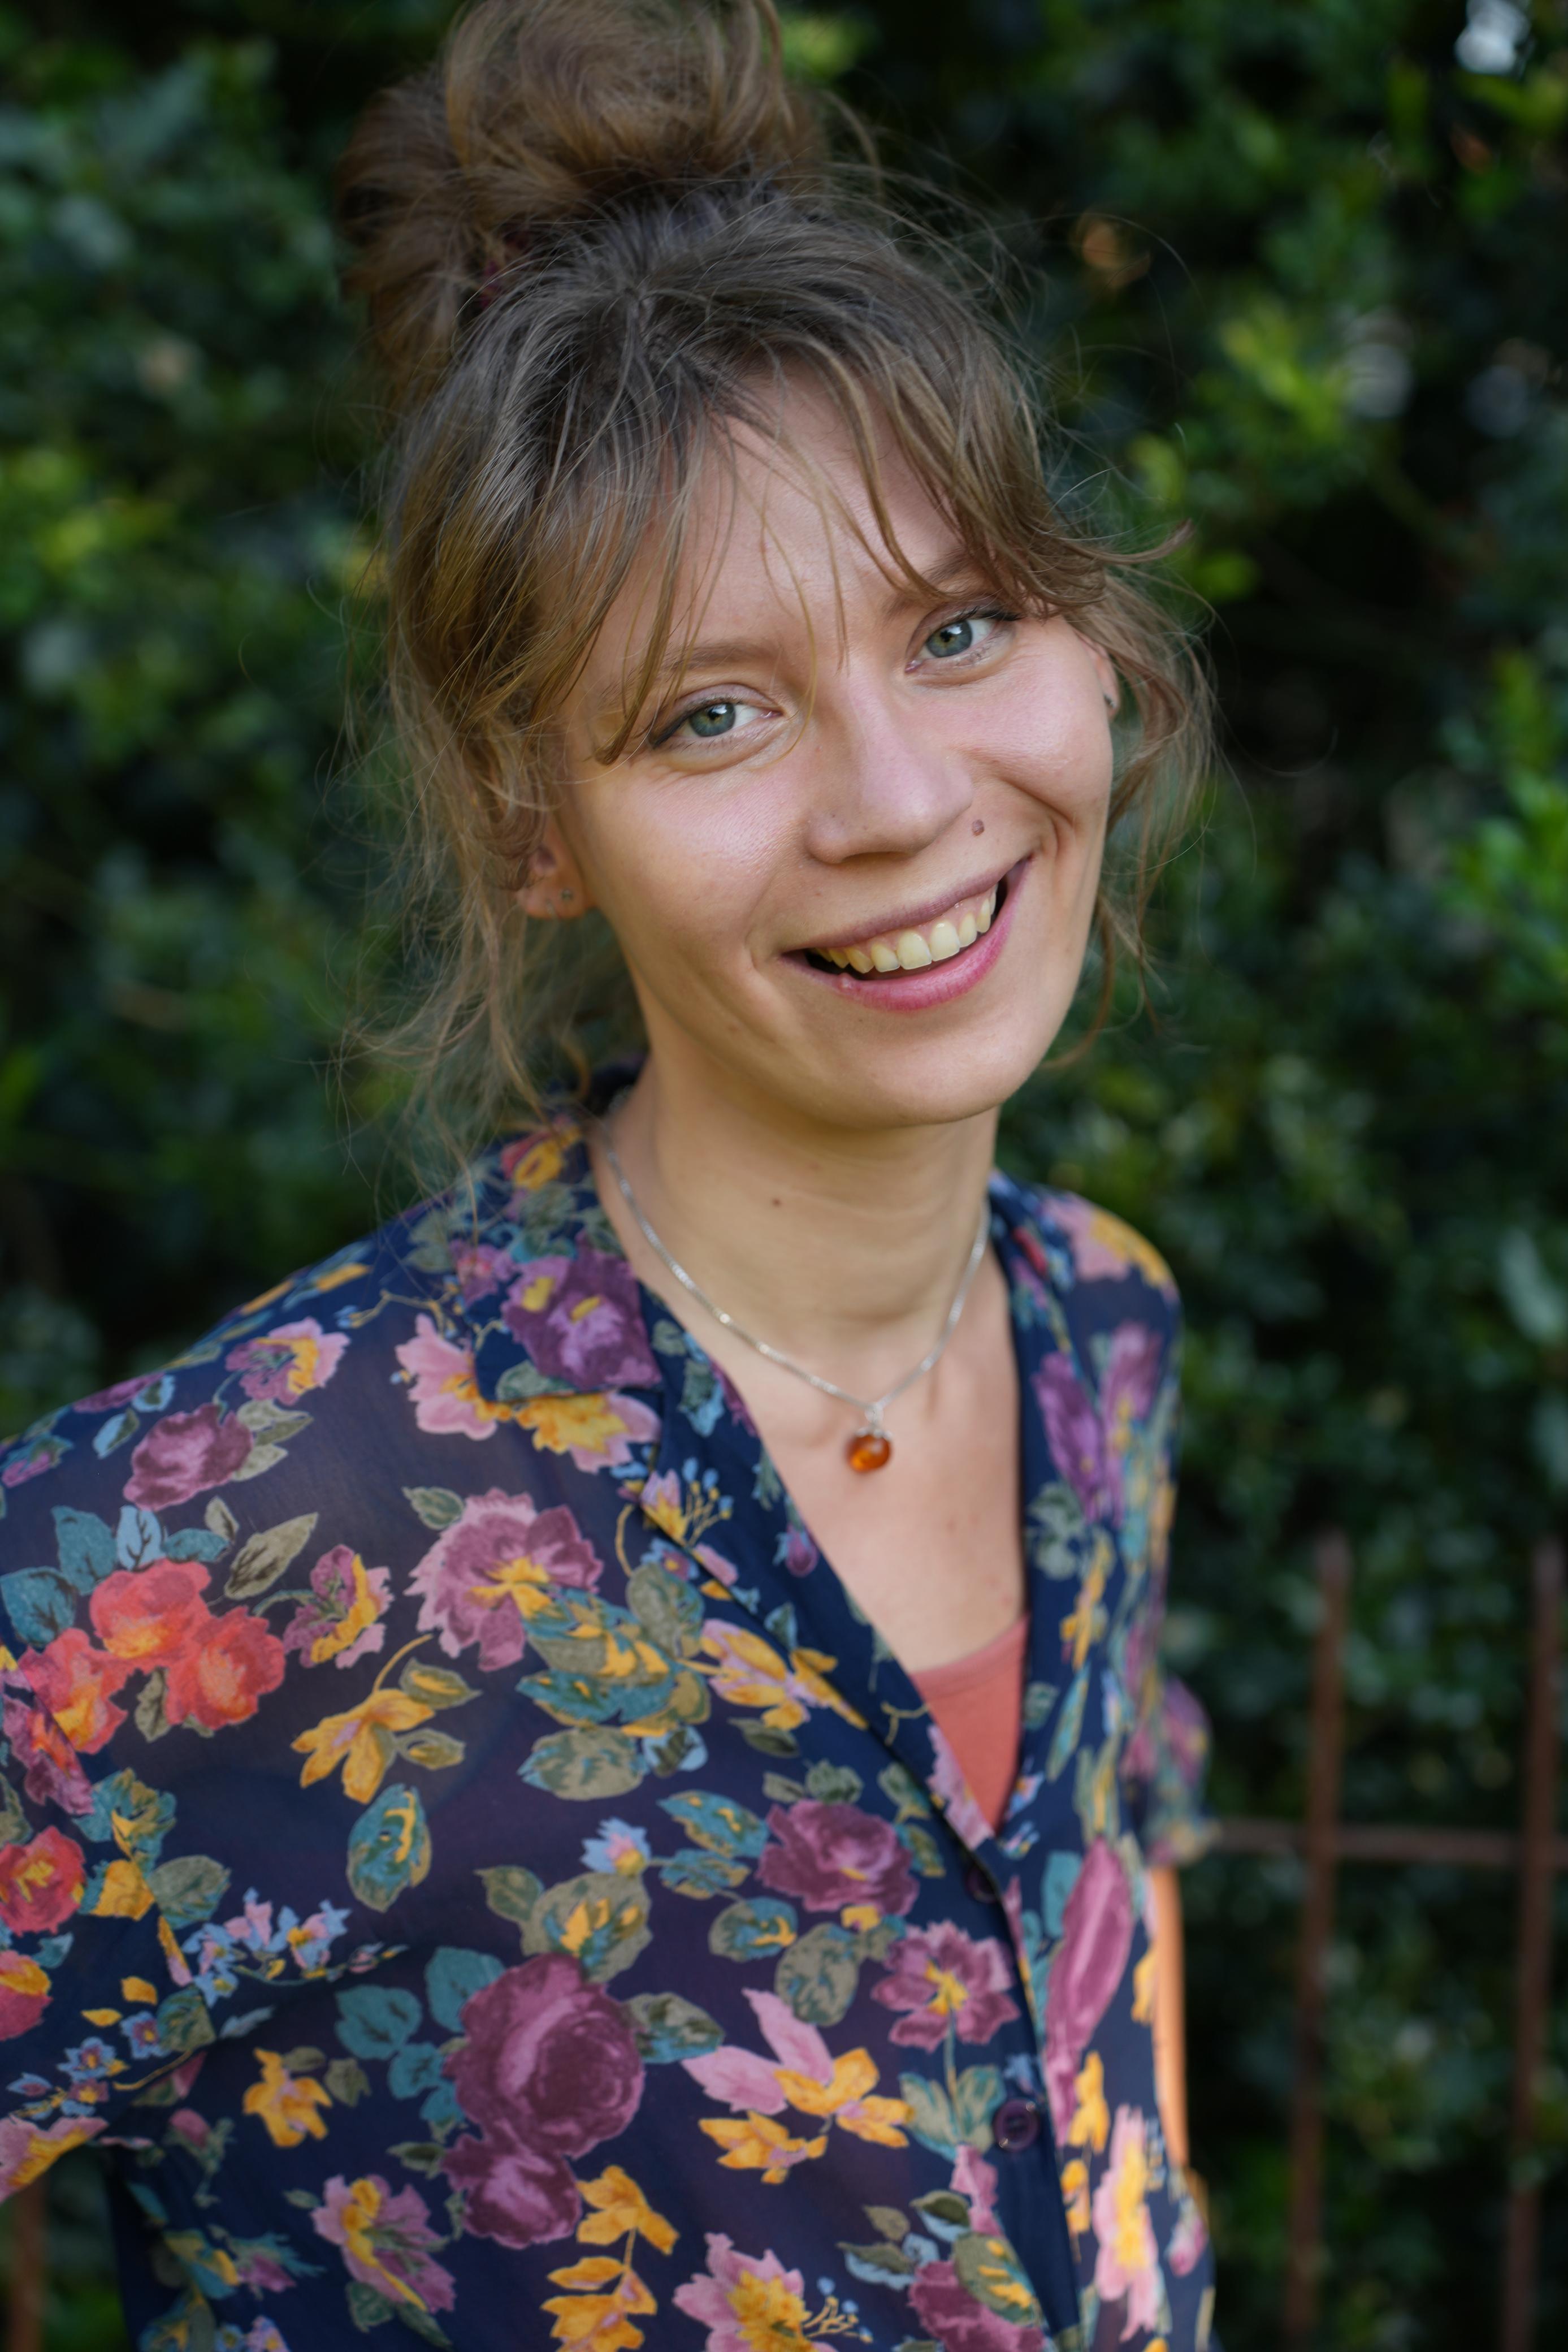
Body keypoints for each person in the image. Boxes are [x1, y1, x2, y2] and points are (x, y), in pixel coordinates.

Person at [0, 3, 1219, 2345]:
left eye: (955, 626)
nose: (896, 795)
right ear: (535, 818)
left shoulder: (1099, 1327)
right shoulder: (256, 1530)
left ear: (1090, 648)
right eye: (713, 712)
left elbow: (1103, 2018)